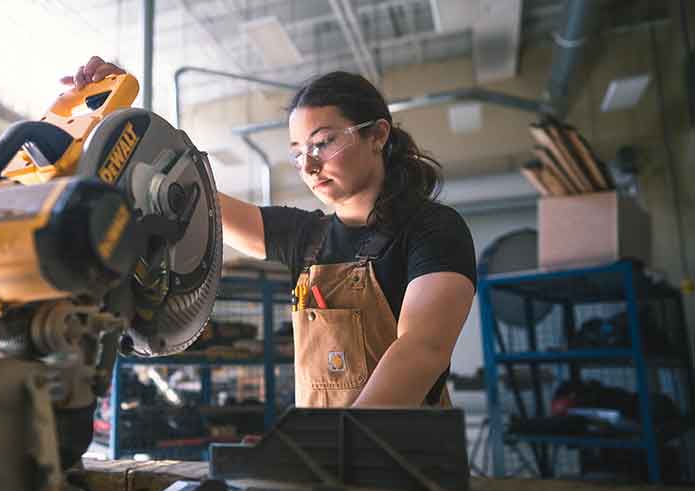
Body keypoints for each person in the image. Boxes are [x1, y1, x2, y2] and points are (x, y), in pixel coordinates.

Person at [63, 57, 476, 408]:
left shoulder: (433, 229)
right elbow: (190, 197)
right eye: (298, 154)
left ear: (378, 135)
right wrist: (117, 124)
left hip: (407, 466)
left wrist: (345, 443)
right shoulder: (308, 238)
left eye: (323, 142)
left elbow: (422, 350)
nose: (309, 167)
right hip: (326, 465)